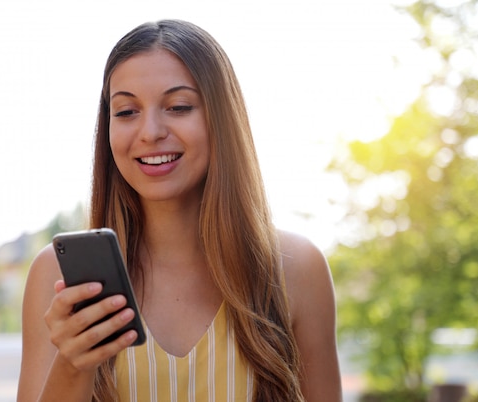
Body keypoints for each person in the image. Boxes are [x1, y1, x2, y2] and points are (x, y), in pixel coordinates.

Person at [17, 19, 342, 402]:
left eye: (178, 106)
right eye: (126, 112)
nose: (150, 131)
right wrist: (74, 364)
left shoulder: (296, 268)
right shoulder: (57, 275)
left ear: (221, 119)